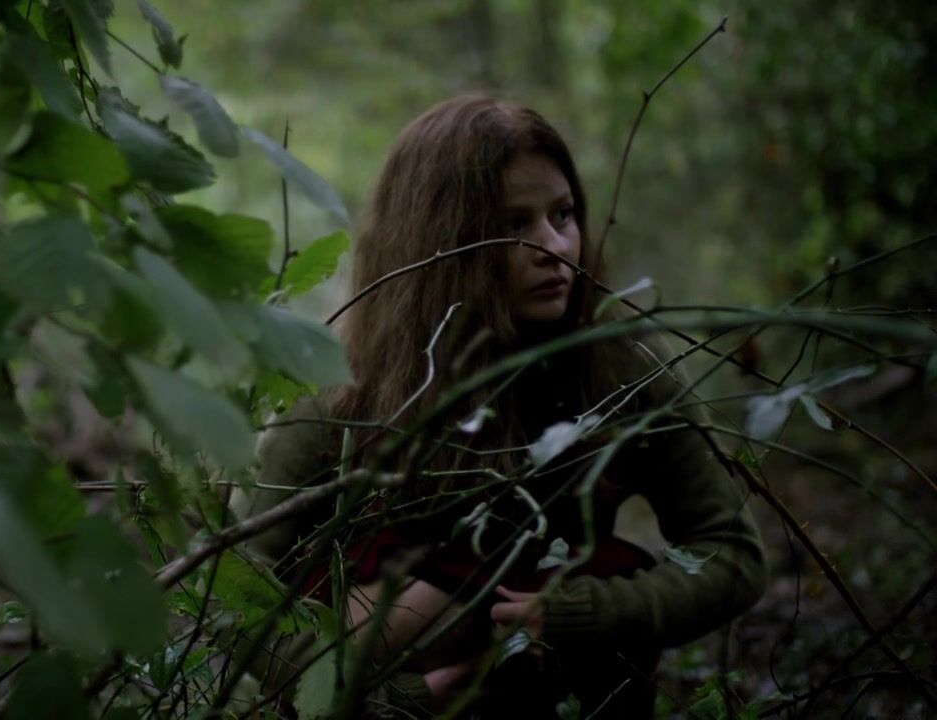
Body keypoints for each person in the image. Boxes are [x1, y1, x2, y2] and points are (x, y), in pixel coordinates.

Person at [230, 95, 768, 718]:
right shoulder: (343, 386)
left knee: (598, 573)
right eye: (513, 225)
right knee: (424, 600)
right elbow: (235, 597)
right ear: (439, 243)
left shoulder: (619, 365)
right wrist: (392, 703)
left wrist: (582, 614)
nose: (553, 246)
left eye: (563, 214)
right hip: (386, 684)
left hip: (556, 681)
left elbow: (732, 554)